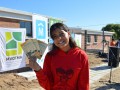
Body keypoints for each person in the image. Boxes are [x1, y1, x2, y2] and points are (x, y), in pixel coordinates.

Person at [28, 23, 89, 90]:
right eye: (55, 36)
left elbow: (84, 84)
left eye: (61, 34)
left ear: (68, 34)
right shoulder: (50, 57)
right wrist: (38, 69)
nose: (59, 38)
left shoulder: (81, 55)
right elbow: (47, 85)